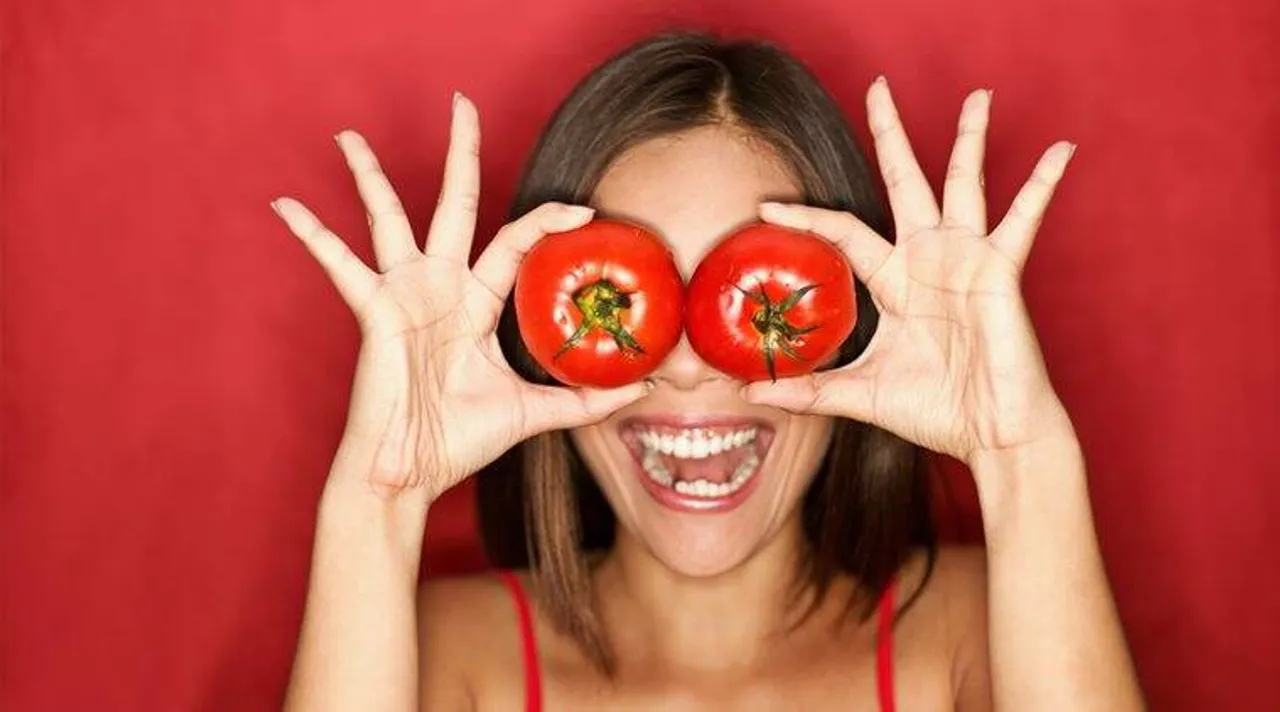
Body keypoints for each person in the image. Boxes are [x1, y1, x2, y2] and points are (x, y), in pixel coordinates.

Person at [271, 32, 1144, 711]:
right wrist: (375, 508)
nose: (688, 369)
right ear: (531, 342)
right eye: (635, 306)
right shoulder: (443, 653)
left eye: (749, 291)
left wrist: (1022, 459)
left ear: (857, 329)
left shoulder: (975, 630)